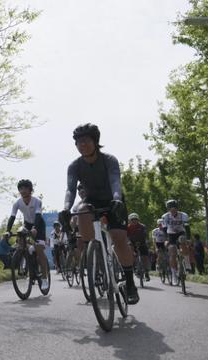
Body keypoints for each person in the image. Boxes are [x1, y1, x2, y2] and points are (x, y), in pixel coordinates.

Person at [61, 123, 139, 304]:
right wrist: (66, 208)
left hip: (113, 200)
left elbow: (115, 181)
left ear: (95, 142)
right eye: (79, 142)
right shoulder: (74, 166)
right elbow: (70, 190)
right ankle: (94, 252)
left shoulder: (109, 159)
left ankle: (129, 283)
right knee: (81, 210)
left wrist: (117, 199)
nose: (82, 145)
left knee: (119, 238)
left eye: (86, 141)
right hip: (91, 202)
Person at [5, 179, 50, 291]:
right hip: (27, 224)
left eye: (25, 188)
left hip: (38, 225)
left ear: (30, 190)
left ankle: (44, 279)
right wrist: (8, 230)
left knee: (39, 250)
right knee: (21, 240)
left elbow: (38, 216)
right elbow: (12, 217)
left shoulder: (37, 201)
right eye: (20, 189)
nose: (22, 191)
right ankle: (25, 263)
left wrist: (35, 228)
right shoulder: (17, 203)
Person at [161, 199, 191, 283]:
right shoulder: (165, 216)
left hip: (181, 232)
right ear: (168, 209)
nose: (173, 210)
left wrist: (188, 238)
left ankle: (187, 263)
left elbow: (187, 228)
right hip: (170, 235)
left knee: (183, 241)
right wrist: (166, 240)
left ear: (177, 208)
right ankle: (174, 274)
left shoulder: (183, 215)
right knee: (172, 252)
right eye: (171, 209)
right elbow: (164, 229)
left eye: (174, 208)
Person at [127, 213, 150, 281]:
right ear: (130, 221)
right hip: (132, 243)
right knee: (132, 253)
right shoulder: (128, 227)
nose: (134, 221)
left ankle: (146, 273)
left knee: (145, 258)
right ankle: (134, 267)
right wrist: (129, 242)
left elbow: (146, 235)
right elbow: (126, 236)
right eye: (132, 220)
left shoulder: (142, 226)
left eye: (135, 219)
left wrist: (146, 241)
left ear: (138, 220)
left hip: (142, 243)